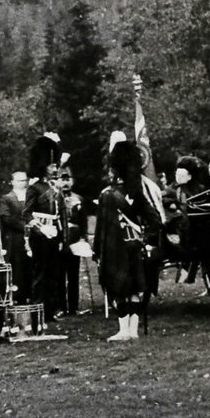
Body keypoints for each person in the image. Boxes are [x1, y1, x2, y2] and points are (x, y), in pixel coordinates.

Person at [95, 138, 162, 341]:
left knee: (119, 290)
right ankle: (133, 330)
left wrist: (98, 251)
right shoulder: (137, 193)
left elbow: (102, 229)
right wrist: (146, 239)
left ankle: (124, 330)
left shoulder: (107, 195)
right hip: (134, 246)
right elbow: (156, 220)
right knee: (134, 289)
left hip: (116, 249)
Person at [24, 134, 67, 320]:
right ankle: (37, 311)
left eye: (55, 165)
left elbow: (59, 214)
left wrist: (60, 235)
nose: (55, 169)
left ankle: (49, 310)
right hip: (40, 235)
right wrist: (40, 228)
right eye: (51, 165)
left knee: (52, 274)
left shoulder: (53, 187)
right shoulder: (34, 188)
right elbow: (26, 213)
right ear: (43, 166)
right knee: (40, 274)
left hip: (53, 233)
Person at [0, 171, 32, 303]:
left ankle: (30, 295)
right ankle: (18, 297)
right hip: (15, 239)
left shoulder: (31, 197)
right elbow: (7, 218)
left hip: (32, 237)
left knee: (30, 266)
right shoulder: (7, 198)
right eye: (20, 181)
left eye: (25, 180)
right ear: (12, 182)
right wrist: (26, 226)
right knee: (18, 267)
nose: (23, 183)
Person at [57, 162, 86, 315]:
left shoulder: (78, 199)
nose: (66, 182)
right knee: (59, 275)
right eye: (62, 179)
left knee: (73, 274)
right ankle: (61, 306)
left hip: (74, 240)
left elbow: (83, 222)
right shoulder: (54, 198)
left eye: (68, 179)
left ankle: (74, 307)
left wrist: (83, 238)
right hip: (59, 241)